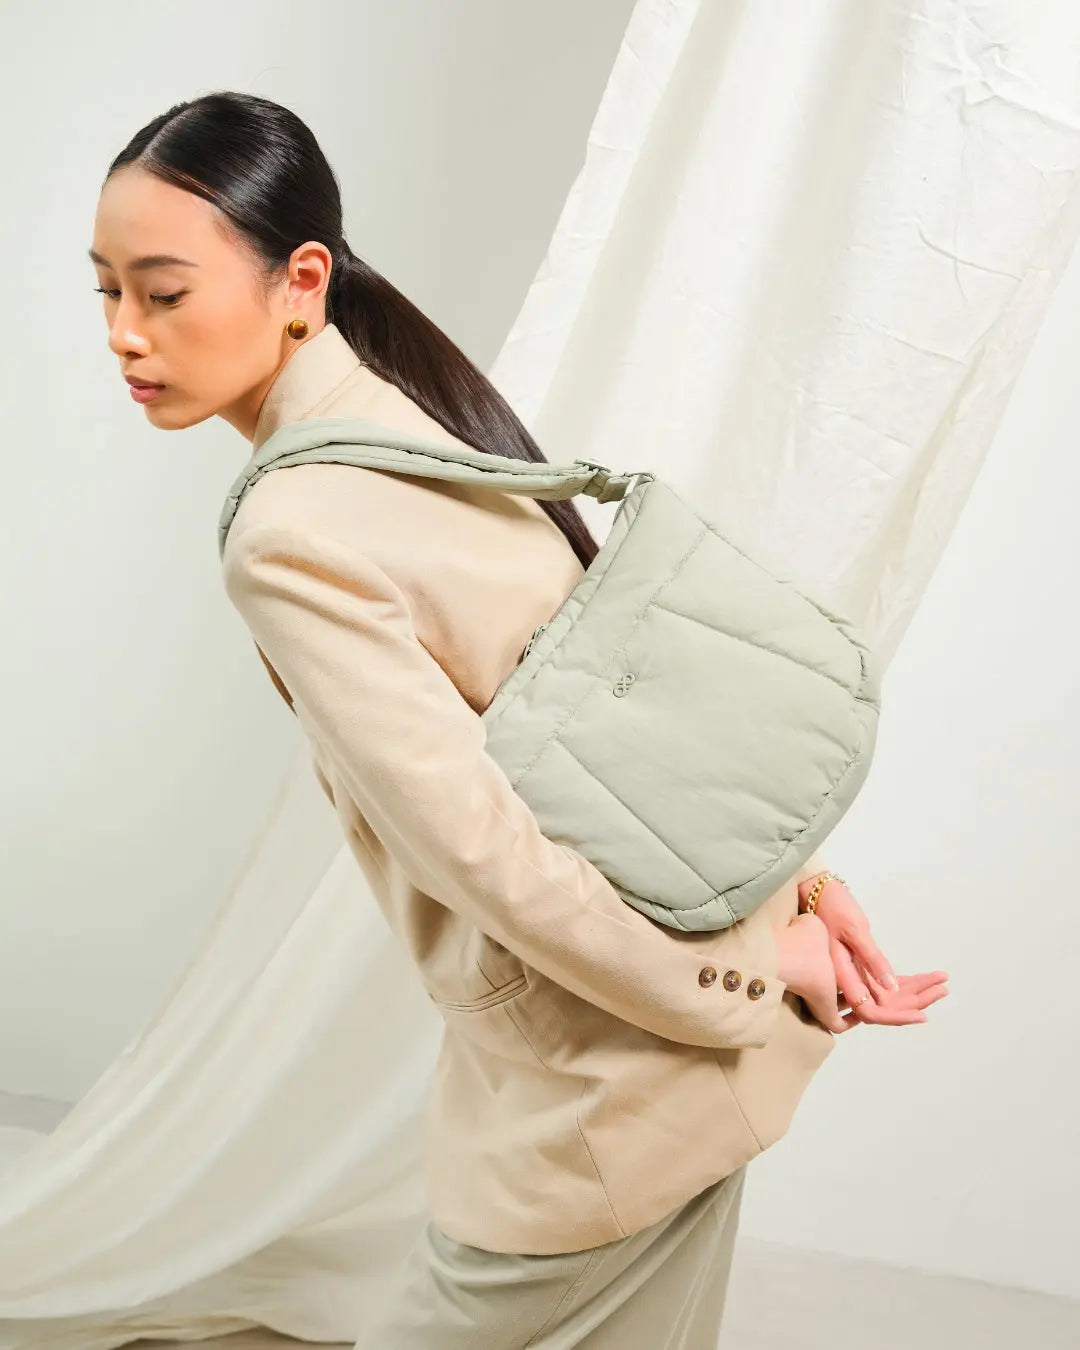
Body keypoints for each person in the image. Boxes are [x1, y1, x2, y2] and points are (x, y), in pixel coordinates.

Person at [90, 90, 950, 1350]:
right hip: (677, 1054)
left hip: (609, 1090)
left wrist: (758, 968)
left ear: (302, 281)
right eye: (105, 290)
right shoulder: (406, 421)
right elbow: (623, 708)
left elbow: (484, 849)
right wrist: (798, 898)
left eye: (163, 293)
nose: (124, 332)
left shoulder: (289, 533)